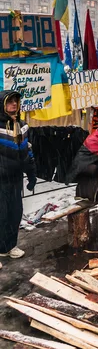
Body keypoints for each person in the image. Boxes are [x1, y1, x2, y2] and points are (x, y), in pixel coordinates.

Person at [0, 91, 37, 268]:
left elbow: (27, 151)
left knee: (14, 213)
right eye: (10, 102)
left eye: (16, 101)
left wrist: (31, 174)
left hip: (15, 179)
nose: (14, 104)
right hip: (0, 180)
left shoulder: (22, 126)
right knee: (1, 214)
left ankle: (8, 246)